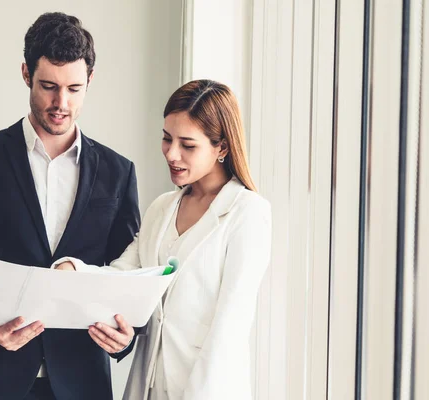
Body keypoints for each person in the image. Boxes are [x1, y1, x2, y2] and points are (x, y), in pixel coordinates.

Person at [0, 12, 141, 400]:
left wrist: (126, 336)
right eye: (48, 87)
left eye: (74, 88)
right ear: (26, 73)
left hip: (83, 381)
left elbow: (128, 271)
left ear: (91, 80)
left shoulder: (118, 172)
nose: (61, 103)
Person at [56, 79, 272, 400]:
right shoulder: (162, 208)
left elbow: (230, 325)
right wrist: (74, 271)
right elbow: (125, 276)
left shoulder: (247, 212)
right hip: (149, 385)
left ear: (222, 147)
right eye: (166, 139)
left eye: (188, 145)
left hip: (206, 388)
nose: (172, 154)